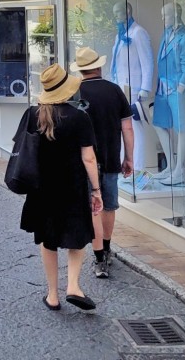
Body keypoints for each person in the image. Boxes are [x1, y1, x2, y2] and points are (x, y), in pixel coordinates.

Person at [19, 63, 103, 311]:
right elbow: (89, 158)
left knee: (48, 240)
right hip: (72, 186)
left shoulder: (34, 115)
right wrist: (96, 190)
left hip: (42, 188)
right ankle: (74, 286)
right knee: (77, 237)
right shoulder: (79, 118)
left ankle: (52, 295)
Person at [72, 47, 133, 279]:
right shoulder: (114, 90)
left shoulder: (75, 92)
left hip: (83, 161)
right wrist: (129, 157)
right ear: (99, 66)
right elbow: (127, 127)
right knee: (108, 205)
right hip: (110, 157)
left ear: (81, 70)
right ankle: (106, 249)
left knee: (92, 208)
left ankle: (98, 259)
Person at [152, 3, 185, 186]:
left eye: (166, 15)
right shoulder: (167, 34)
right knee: (159, 123)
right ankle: (171, 166)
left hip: (175, 88)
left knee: (181, 128)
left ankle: (180, 169)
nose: (163, 19)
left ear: (176, 15)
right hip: (163, 87)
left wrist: (179, 88)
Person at [109, 2, 154, 171]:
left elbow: (147, 61)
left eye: (118, 12)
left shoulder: (138, 33)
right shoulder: (120, 34)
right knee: (122, 128)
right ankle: (125, 164)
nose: (115, 16)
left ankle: (138, 166)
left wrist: (145, 87)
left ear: (127, 12)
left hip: (133, 88)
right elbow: (116, 63)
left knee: (135, 126)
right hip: (120, 87)